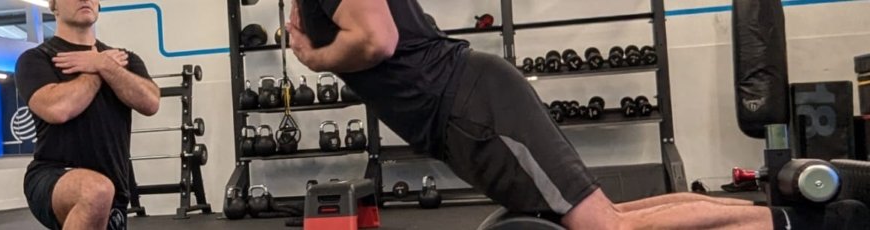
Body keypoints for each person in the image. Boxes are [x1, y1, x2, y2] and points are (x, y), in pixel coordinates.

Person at [284, 0, 835, 229]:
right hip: (465, 110)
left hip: (469, 108)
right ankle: (770, 219)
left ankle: (782, 224)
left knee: (606, 228)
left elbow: (378, 42)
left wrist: (314, 57)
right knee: (610, 214)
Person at [14, 0, 160, 229]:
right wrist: (97, 69)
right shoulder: (36, 59)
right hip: (52, 175)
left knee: (102, 191)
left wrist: (105, 64)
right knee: (95, 190)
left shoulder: (122, 60)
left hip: (114, 188)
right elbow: (57, 109)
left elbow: (150, 102)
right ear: (54, 5)